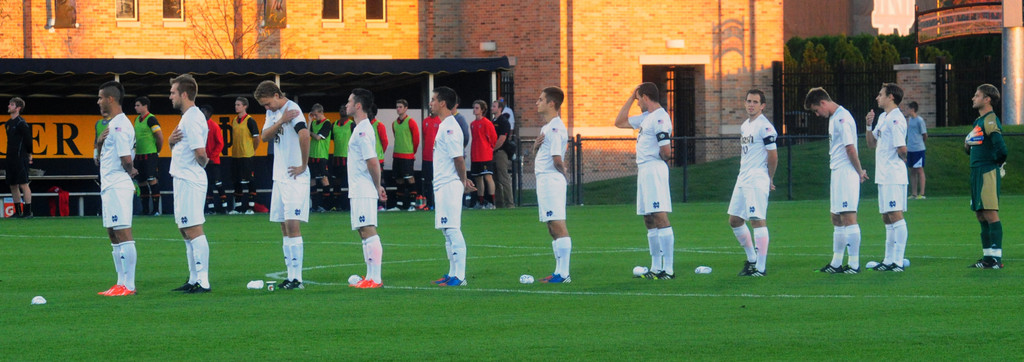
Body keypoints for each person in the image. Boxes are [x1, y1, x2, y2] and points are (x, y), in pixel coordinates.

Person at [614, 82, 675, 280]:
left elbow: (666, 151)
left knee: (659, 215)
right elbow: (619, 122)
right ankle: (656, 267)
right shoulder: (647, 118)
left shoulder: (659, 119)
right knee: (648, 218)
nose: (637, 102)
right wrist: (631, 97)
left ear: (646, 97)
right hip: (644, 170)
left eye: (638, 98)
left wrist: (655, 158)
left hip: (654, 169)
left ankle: (669, 269)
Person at [805, 87, 868, 274]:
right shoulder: (833, 118)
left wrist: (859, 171)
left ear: (823, 103)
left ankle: (854, 264)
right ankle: (836, 263)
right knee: (836, 218)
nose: (817, 114)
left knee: (849, 217)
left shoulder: (843, 118)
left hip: (847, 173)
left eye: (816, 110)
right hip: (837, 172)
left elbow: (850, 148)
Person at [255, 80, 311, 290]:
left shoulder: (293, 109)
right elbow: (264, 136)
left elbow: (304, 135)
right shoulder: (274, 113)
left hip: (294, 177)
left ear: (277, 95)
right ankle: (290, 276)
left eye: (268, 103)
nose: (266, 108)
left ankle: (297, 279)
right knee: (284, 226)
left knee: (293, 225)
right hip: (279, 177)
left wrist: (303, 165)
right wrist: (279, 121)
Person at [167, 74, 212, 293]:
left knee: (193, 228)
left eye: (173, 92)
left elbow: (200, 153)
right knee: (185, 229)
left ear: (184, 94)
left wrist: (203, 163)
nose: (170, 97)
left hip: (190, 179)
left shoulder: (193, 117)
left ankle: (203, 281)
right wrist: (169, 142)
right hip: (183, 177)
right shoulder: (188, 117)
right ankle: (194, 278)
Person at [94, 81, 139, 296]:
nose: (99, 101)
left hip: (118, 184)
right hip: (109, 184)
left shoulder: (120, 125)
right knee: (112, 233)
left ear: (110, 99)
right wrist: (99, 143)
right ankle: (120, 283)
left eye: (101, 97)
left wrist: (131, 170)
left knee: (122, 231)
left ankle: (129, 285)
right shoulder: (112, 125)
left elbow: (125, 158)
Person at [429, 86, 476, 287]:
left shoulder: (450, 126)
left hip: (449, 183)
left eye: (433, 99)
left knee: (453, 229)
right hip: (442, 183)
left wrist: (463, 180)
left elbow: (459, 158)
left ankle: (460, 276)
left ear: (442, 103)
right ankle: (451, 273)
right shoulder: (444, 125)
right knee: (446, 231)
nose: (430, 103)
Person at [728, 90, 778, 277]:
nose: (751, 105)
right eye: (748, 101)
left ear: (762, 105)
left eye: (755, 102)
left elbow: (773, 155)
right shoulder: (745, 126)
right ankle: (751, 259)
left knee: (757, 219)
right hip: (743, 177)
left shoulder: (765, 127)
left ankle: (760, 267)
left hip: (757, 177)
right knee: (735, 220)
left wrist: (769, 177)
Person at [345, 89, 388, 288]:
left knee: (368, 229)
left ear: (358, 105)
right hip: (359, 187)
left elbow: (372, 161)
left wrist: (377, 186)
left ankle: (376, 278)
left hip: (363, 188)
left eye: (349, 102)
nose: (346, 105)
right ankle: (369, 277)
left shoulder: (363, 130)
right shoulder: (360, 128)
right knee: (363, 231)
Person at [865, 83, 909, 272]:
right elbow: (871, 144)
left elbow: (902, 149)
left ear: (891, 97)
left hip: (893, 175)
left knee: (895, 215)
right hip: (883, 176)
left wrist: (901, 166)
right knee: (886, 217)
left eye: (880, 94)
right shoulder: (883, 117)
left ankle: (898, 261)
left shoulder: (896, 120)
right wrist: (868, 125)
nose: (877, 97)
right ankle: (888, 259)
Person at [532, 87, 573, 283]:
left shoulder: (556, 127)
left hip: (551, 179)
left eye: (540, 100)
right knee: (551, 225)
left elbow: (557, 158)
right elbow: (544, 155)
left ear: (551, 104)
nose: (537, 103)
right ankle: (558, 271)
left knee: (557, 223)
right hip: (545, 179)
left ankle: (564, 274)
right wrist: (534, 148)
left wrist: (564, 174)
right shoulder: (546, 127)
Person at [965, 84, 1008, 269]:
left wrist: (997, 163)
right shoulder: (978, 121)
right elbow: (974, 148)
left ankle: (996, 259)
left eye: (977, 95)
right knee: (980, 214)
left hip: (986, 171)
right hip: (976, 171)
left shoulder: (990, 120)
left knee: (990, 213)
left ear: (987, 99)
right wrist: (967, 145)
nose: (973, 98)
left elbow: (1001, 148)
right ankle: (987, 258)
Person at [228, 97, 260, 215]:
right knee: (236, 181)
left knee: (249, 180)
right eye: (235, 104)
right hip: (236, 155)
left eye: (238, 105)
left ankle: (251, 207)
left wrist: (253, 149)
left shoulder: (250, 120)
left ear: (245, 106)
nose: (236, 107)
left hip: (247, 155)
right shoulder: (234, 120)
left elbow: (256, 138)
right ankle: (238, 207)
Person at [133, 96, 164, 216]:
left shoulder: (151, 119)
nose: (135, 107)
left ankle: (156, 210)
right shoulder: (136, 120)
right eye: (135, 105)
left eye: (138, 105)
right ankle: (145, 209)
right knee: (141, 182)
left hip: (150, 154)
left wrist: (157, 151)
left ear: (145, 106)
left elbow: (159, 136)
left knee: (152, 180)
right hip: (139, 155)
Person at [5, 97, 33, 218]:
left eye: (11, 105)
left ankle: (28, 212)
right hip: (10, 158)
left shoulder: (21, 123)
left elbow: (28, 140)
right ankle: (18, 211)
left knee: (23, 184)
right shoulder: (8, 123)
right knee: (13, 185)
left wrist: (30, 155)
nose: (9, 106)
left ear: (18, 108)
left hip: (20, 158)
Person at [391, 99, 420, 211]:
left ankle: (413, 204)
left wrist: (412, 152)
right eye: (397, 107)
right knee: (399, 180)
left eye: (400, 107)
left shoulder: (411, 122)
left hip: (407, 156)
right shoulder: (394, 123)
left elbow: (416, 139)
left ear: (406, 108)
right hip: (397, 155)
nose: (398, 109)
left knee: (410, 179)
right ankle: (399, 204)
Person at [470, 100, 497, 209]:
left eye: (477, 108)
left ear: (482, 110)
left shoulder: (487, 123)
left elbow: (493, 138)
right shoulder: (472, 124)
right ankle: (480, 202)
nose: (474, 110)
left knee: (488, 177)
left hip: (485, 155)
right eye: (474, 107)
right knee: (478, 179)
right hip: (475, 155)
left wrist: (488, 148)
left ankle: (491, 202)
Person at [201, 105, 228, 214]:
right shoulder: (200, 126)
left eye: (203, 111)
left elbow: (220, 143)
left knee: (218, 183)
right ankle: (211, 208)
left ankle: (224, 207)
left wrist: (212, 157)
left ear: (208, 113)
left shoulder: (214, 126)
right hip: (203, 161)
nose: (201, 113)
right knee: (207, 184)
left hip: (213, 161)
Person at [307, 103, 333, 213]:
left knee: (324, 179)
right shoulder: (313, 123)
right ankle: (316, 205)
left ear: (321, 112)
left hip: (322, 156)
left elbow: (317, 137)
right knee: (312, 180)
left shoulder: (327, 123)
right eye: (313, 115)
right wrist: (309, 121)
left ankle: (327, 206)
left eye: (316, 115)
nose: (315, 117)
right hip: (312, 155)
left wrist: (310, 132)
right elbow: (307, 132)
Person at [491, 100, 514, 208]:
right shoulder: (492, 121)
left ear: (500, 108)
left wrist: (492, 149)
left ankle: (509, 203)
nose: (492, 108)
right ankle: (499, 204)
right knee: (495, 179)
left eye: (494, 106)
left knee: (504, 178)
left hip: (500, 152)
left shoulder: (504, 121)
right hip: (493, 153)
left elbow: (502, 139)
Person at [330, 114, 354, 211]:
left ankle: (347, 205)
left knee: (347, 182)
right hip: (336, 157)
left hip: (348, 157)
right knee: (337, 182)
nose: (342, 110)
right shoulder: (334, 125)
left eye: (344, 108)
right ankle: (337, 204)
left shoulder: (352, 125)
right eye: (340, 108)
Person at [419, 111, 441, 211]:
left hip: (437, 157)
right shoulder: (425, 121)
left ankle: (438, 203)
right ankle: (429, 204)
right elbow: (423, 139)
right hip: (427, 157)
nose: (431, 109)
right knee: (427, 182)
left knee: (438, 181)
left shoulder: (441, 120)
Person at [905, 101, 927, 199]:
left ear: (913, 109)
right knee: (912, 171)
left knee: (919, 170)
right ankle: (914, 193)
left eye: (908, 108)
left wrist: (919, 143)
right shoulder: (909, 120)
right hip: (910, 149)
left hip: (919, 149)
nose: (907, 110)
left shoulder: (919, 120)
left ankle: (921, 194)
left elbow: (924, 134)